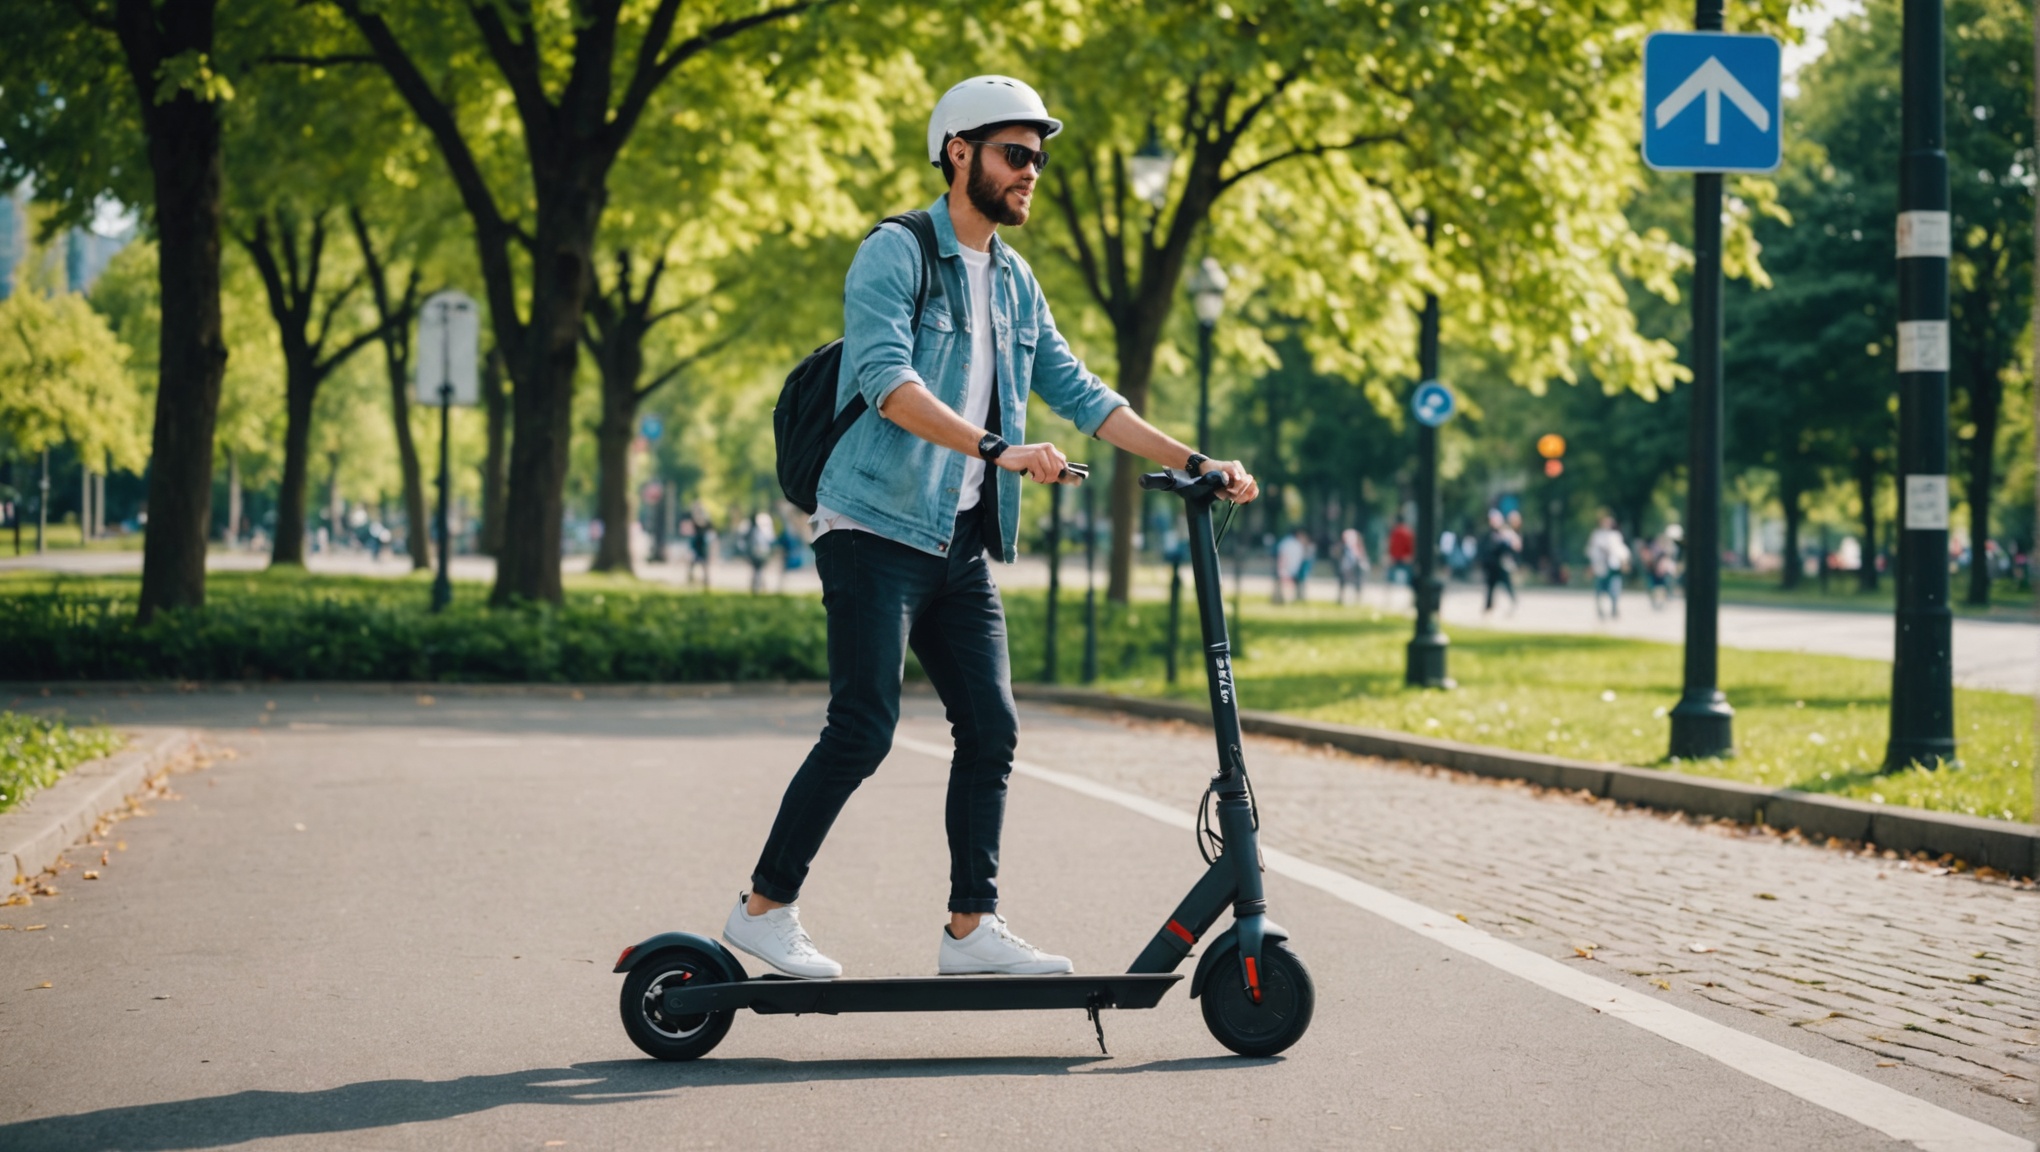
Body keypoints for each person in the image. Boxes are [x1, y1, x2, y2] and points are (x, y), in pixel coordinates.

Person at [724, 76, 1261, 981]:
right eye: (1017, 154)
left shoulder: (1014, 281)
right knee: (863, 726)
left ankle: (971, 929)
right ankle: (762, 912)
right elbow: (887, 384)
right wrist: (999, 447)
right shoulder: (894, 255)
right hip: (872, 524)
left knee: (992, 729)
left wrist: (1195, 458)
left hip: (957, 539)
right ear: (958, 152)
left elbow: (1085, 393)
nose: (1031, 173)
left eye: (1040, 160)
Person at [1587, 513, 1631, 620]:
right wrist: (1592, 565)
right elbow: (1592, 551)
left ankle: (1614, 609)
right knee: (1599, 589)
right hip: (1601, 566)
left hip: (1613, 566)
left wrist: (1624, 561)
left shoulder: (1615, 535)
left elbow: (1621, 550)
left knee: (1615, 588)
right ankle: (1600, 609)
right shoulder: (1596, 535)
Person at [1479, 509, 1518, 615]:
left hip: (1501, 565)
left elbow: (1511, 547)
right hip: (1492, 565)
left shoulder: (1503, 533)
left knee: (1506, 585)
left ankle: (1513, 602)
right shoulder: (1490, 534)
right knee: (1491, 586)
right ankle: (1488, 606)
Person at [1274, 527, 1309, 603]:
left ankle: (1284, 600)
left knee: (1285, 585)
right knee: (1288, 586)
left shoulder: (1286, 542)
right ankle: (1287, 600)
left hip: (1287, 568)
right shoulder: (1297, 544)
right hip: (1291, 568)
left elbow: (1282, 556)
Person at [1336, 527, 1369, 605]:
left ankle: (1356, 598)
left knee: (1356, 582)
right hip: (1348, 566)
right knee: (1345, 581)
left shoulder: (1354, 546)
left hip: (1354, 566)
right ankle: (1343, 598)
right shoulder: (1346, 546)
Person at [1387, 515, 1415, 586]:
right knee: (1407, 577)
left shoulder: (1394, 531)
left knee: (1392, 578)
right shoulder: (1408, 531)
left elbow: (1391, 545)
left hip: (1395, 557)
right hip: (1405, 557)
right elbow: (1411, 545)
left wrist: (1391, 555)